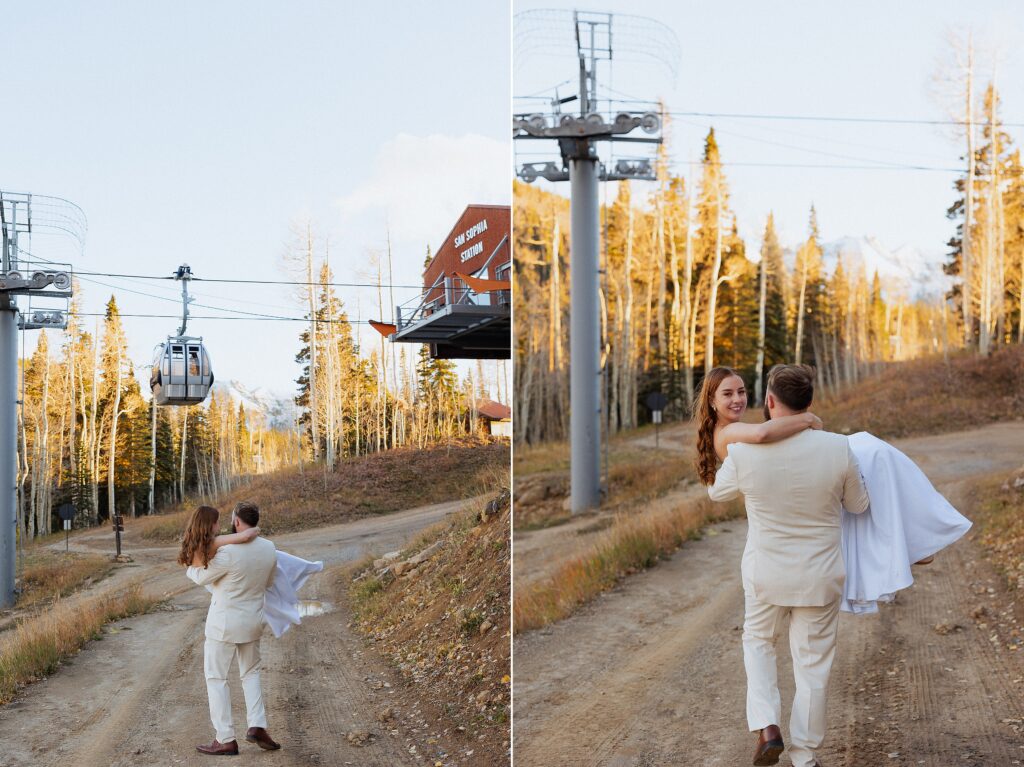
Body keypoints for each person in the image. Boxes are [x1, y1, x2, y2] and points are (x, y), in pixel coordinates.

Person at [705, 364, 870, 767]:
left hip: (766, 573)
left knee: (758, 641)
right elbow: (859, 506)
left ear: (770, 401)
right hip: (821, 575)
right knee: (812, 665)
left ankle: (767, 725)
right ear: (810, 403)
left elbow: (717, 493)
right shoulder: (838, 447)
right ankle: (805, 755)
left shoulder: (744, 453)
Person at [179, 502, 281, 756]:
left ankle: (225, 738)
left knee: (217, 679)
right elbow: (268, 582)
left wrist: (191, 569)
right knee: (251, 673)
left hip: (223, 625)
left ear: (236, 522)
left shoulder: (227, 553)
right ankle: (257, 725)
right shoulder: (269, 549)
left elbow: (201, 576)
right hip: (253, 621)